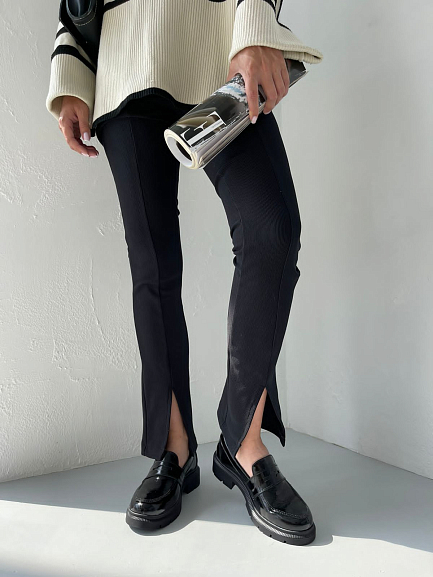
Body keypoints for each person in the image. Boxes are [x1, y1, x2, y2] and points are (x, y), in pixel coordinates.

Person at [46, 0, 323, 545]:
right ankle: (175, 449)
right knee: (152, 265)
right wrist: (73, 74)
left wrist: (254, 27)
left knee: (271, 231)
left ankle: (242, 441)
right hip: (126, 57)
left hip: (218, 44)